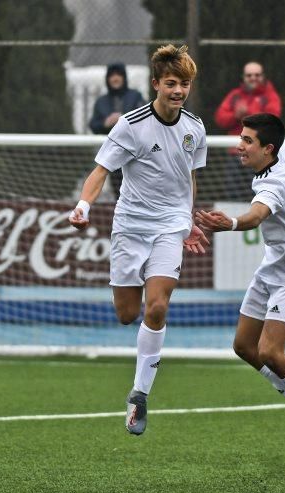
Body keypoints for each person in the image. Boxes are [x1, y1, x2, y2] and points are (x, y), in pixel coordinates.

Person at [69, 44, 209, 436]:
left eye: (184, 84)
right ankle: (140, 375)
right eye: (171, 83)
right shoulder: (131, 124)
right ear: (155, 85)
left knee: (157, 307)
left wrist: (189, 219)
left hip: (170, 225)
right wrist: (83, 205)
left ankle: (139, 394)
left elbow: (189, 177)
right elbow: (100, 171)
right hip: (130, 226)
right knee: (127, 314)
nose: (178, 90)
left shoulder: (195, 129)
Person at [194, 112, 285, 466]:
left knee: (271, 352)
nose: (239, 146)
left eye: (247, 141)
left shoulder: (275, 183)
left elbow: (255, 217)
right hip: (272, 267)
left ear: (267, 149)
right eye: (241, 138)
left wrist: (228, 223)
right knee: (244, 347)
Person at [213, 62, 282, 201]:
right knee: (233, 195)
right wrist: (235, 116)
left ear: (263, 76)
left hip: (260, 156)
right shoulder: (235, 95)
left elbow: (273, 119)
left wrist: (246, 114)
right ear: (243, 77)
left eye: (257, 75)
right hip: (235, 154)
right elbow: (220, 118)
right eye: (249, 75)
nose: (253, 78)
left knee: (259, 194)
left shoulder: (270, 96)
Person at [89, 63, 147, 198]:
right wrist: (105, 123)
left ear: (124, 77)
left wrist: (123, 119)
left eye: (118, 75)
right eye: (112, 75)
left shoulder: (135, 96)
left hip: (136, 152)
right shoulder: (101, 101)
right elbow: (93, 125)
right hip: (113, 154)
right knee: (118, 194)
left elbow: (145, 119)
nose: (115, 78)